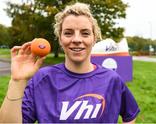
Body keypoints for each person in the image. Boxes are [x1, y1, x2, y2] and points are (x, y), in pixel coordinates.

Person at [0, 2, 140, 123]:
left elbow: (130, 115)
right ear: (60, 39)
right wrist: (17, 81)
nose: (77, 39)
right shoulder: (42, 80)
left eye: (85, 33)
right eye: (68, 33)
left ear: (94, 38)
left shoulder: (112, 80)